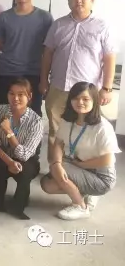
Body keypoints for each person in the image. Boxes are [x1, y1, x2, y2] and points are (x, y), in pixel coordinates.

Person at [40, 0, 117, 159]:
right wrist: (43, 80)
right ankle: (55, 167)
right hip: (58, 88)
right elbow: (48, 54)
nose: (78, 0)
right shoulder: (58, 25)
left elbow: (109, 58)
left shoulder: (102, 27)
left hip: (86, 91)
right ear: (68, 0)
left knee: (86, 131)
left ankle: (81, 168)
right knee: (55, 131)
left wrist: (107, 88)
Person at [41, 82, 120, 220]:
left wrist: (79, 165)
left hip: (101, 176)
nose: (80, 102)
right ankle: (88, 192)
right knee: (47, 184)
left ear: (94, 101)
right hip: (77, 165)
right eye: (76, 98)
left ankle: (80, 206)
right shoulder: (68, 120)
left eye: (85, 99)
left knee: (58, 169)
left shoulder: (102, 126)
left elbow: (108, 160)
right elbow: (58, 143)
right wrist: (57, 163)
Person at [0, 0, 53, 115]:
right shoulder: (4, 17)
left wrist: (44, 79)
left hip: (33, 74)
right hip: (7, 73)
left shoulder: (45, 18)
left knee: (32, 114)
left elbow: (48, 49)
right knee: (4, 113)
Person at [0, 78, 43, 220]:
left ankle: (18, 206)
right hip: (3, 155)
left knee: (26, 169)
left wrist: (9, 132)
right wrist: (9, 162)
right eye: (12, 94)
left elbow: (25, 154)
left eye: (21, 94)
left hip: (26, 159)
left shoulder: (36, 121)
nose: (16, 98)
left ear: (29, 96)